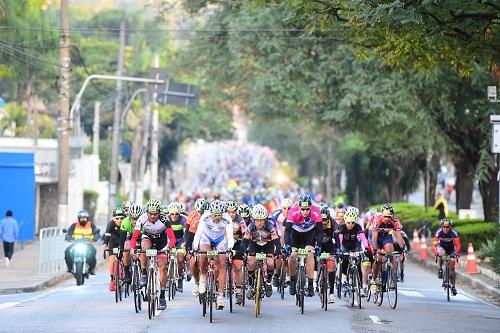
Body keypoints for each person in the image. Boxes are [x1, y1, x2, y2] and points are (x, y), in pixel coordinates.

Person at [129, 199, 176, 310]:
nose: (153, 216)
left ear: (159, 212)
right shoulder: (142, 219)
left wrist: (168, 248)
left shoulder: (165, 220)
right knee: (144, 248)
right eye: (150, 214)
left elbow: (172, 239)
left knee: (163, 267)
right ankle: (144, 273)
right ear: (147, 212)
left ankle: (162, 296)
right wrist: (132, 248)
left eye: (155, 214)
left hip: (162, 242)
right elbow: (135, 237)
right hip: (148, 238)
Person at [192, 200, 234, 309]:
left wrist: (230, 248)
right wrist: (195, 247)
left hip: (220, 239)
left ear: (223, 214)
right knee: (202, 256)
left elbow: (230, 235)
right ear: (211, 213)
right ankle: (202, 278)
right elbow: (198, 233)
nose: (216, 218)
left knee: (222, 263)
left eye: (219, 215)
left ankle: (220, 296)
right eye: (214, 215)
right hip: (206, 238)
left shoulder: (227, 218)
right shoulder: (205, 217)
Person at [285, 194, 323, 297]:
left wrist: (318, 245)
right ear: (299, 207)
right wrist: (287, 244)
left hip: (309, 233)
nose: (305, 212)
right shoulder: (293, 210)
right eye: (303, 209)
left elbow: (320, 231)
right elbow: (287, 230)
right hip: (295, 233)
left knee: (310, 254)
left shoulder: (316, 211)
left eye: (307, 209)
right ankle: (292, 281)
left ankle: (310, 284)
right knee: (292, 256)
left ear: (311, 207)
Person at [243, 204, 281, 300]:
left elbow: (276, 240)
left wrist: (278, 250)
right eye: (257, 220)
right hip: (254, 244)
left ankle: (268, 283)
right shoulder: (251, 227)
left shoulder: (270, 227)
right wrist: (242, 251)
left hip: (268, 245)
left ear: (265, 220)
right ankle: (251, 288)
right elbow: (245, 241)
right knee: (251, 262)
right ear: (253, 220)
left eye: (261, 220)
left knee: (270, 263)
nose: (259, 223)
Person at [370, 204, 405, 293]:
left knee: (390, 252)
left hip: (386, 237)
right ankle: (374, 279)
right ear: (382, 215)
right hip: (376, 237)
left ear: (392, 216)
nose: (387, 219)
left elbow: (399, 237)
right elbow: (374, 238)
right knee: (378, 258)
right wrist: (375, 250)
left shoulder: (395, 221)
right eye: (385, 216)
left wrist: (402, 250)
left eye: (389, 217)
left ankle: (393, 278)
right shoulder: (377, 219)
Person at [337, 208, 372, 297]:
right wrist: (339, 249)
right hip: (345, 246)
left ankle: (360, 288)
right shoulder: (342, 227)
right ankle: (344, 279)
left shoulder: (357, 227)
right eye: (348, 222)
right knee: (345, 259)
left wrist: (367, 247)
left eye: (353, 222)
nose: (351, 225)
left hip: (355, 246)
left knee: (359, 263)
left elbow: (363, 238)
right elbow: (340, 240)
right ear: (345, 221)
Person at [185, 198, 209, 297]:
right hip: (195, 237)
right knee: (193, 260)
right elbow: (188, 233)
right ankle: (196, 281)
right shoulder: (193, 217)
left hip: (209, 240)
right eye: (199, 212)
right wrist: (188, 247)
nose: (201, 214)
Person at [64, 210, 100, 275]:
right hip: (76, 243)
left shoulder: (91, 225)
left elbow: (97, 233)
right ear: (79, 218)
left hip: (87, 243)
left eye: (85, 218)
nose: (83, 219)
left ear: (87, 218)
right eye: (81, 218)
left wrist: (94, 239)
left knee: (93, 251)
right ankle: (69, 267)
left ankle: (91, 269)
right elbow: (69, 233)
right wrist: (69, 238)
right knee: (67, 251)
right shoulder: (74, 225)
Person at [432, 218, 461, 296]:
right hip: (441, 247)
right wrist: (435, 253)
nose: (445, 228)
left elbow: (458, 246)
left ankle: (453, 287)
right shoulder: (439, 232)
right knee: (441, 253)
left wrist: (456, 253)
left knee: (452, 264)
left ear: (450, 227)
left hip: (451, 249)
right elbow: (434, 245)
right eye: (444, 227)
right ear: (442, 226)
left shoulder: (453, 233)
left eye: (447, 227)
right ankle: (441, 268)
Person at [226, 201, 247, 305]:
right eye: (229, 212)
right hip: (224, 243)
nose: (231, 214)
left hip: (237, 244)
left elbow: (245, 234)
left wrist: (244, 248)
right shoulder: (222, 219)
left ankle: (238, 291)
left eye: (233, 212)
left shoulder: (240, 220)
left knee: (238, 266)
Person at [165, 202, 188, 293]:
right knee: (164, 258)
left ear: (180, 213)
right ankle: (166, 278)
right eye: (172, 214)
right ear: (169, 213)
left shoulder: (184, 219)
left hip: (180, 241)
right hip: (169, 240)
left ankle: (179, 278)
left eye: (176, 214)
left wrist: (185, 242)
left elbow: (186, 233)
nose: (174, 216)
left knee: (180, 258)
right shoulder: (165, 219)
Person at [270, 198, 292, 287]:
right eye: (284, 208)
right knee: (279, 254)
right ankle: (275, 274)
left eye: (289, 208)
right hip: (278, 234)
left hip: (290, 235)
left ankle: (289, 276)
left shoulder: (294, 215)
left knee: (289, 255)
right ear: (281, 208)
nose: (286, 210)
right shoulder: (276, 214)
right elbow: (270, 225)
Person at [119, 203, 143, 283]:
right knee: (126, 247)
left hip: (142, 237)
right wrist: (120, 251)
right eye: (133, 218)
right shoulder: (125, 222)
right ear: (129, 217)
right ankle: (127, 272)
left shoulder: (145, 222)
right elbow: (122, 239)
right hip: (130, 237)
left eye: (137, 218)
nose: (135, 221)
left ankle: (144, 271)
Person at [102, 207, 125, 291]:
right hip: (113, 242)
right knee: (112, 260)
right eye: (117, 218)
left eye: (121, 218)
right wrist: (105, 244)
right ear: (113, 218)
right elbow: (107, 235)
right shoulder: (111, 224)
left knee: (124, 258)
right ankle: (112, 279)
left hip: (123, 242)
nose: (119, 220)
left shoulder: (125, 223)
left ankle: (124, 272)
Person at [320, 207, 338, 303]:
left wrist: (338, 249)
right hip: (318, 244)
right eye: (322, 220)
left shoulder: (333, 222)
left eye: (325, 220)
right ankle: (315, 278)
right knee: (314, 258)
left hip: (329, 245)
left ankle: (331, 293)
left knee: (331, 267)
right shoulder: (316, 222)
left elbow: (338, 234)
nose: (323, 222)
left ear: (329, 218)